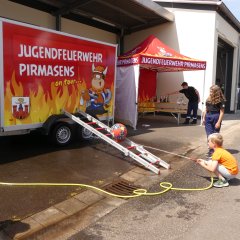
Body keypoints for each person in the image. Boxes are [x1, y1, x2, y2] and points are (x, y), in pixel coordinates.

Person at [202, 85, 226, 156]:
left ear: (216, 92)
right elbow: (206, 109)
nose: (210, 92)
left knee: (215, 135)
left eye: (212, 91)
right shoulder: (208, 99)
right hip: (208, 116)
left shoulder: (221, 100)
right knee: (209, 135)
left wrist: (218, 122)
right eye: (210, 91)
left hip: (216, 116)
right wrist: (204, 118)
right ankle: (211, 151)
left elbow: (222, 112)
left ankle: (216, 151)